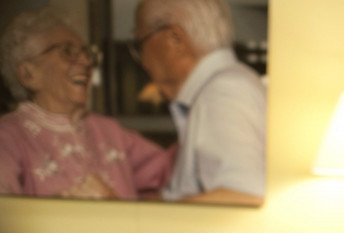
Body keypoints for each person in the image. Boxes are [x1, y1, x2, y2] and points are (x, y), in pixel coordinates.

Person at [0, 8, 172, 200]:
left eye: (86, 53)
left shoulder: (109, 130)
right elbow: (6, 211)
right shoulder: (8, 136)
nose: (86, 61)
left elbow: (171, 173)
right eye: (67, 52)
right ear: (28, 74)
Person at [132, 0, 267, 205]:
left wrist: (140, 217)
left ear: (175, 39)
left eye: (140, 44)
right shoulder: (219, 88)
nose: (143, 62)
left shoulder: (222, 93)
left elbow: (243, 196)